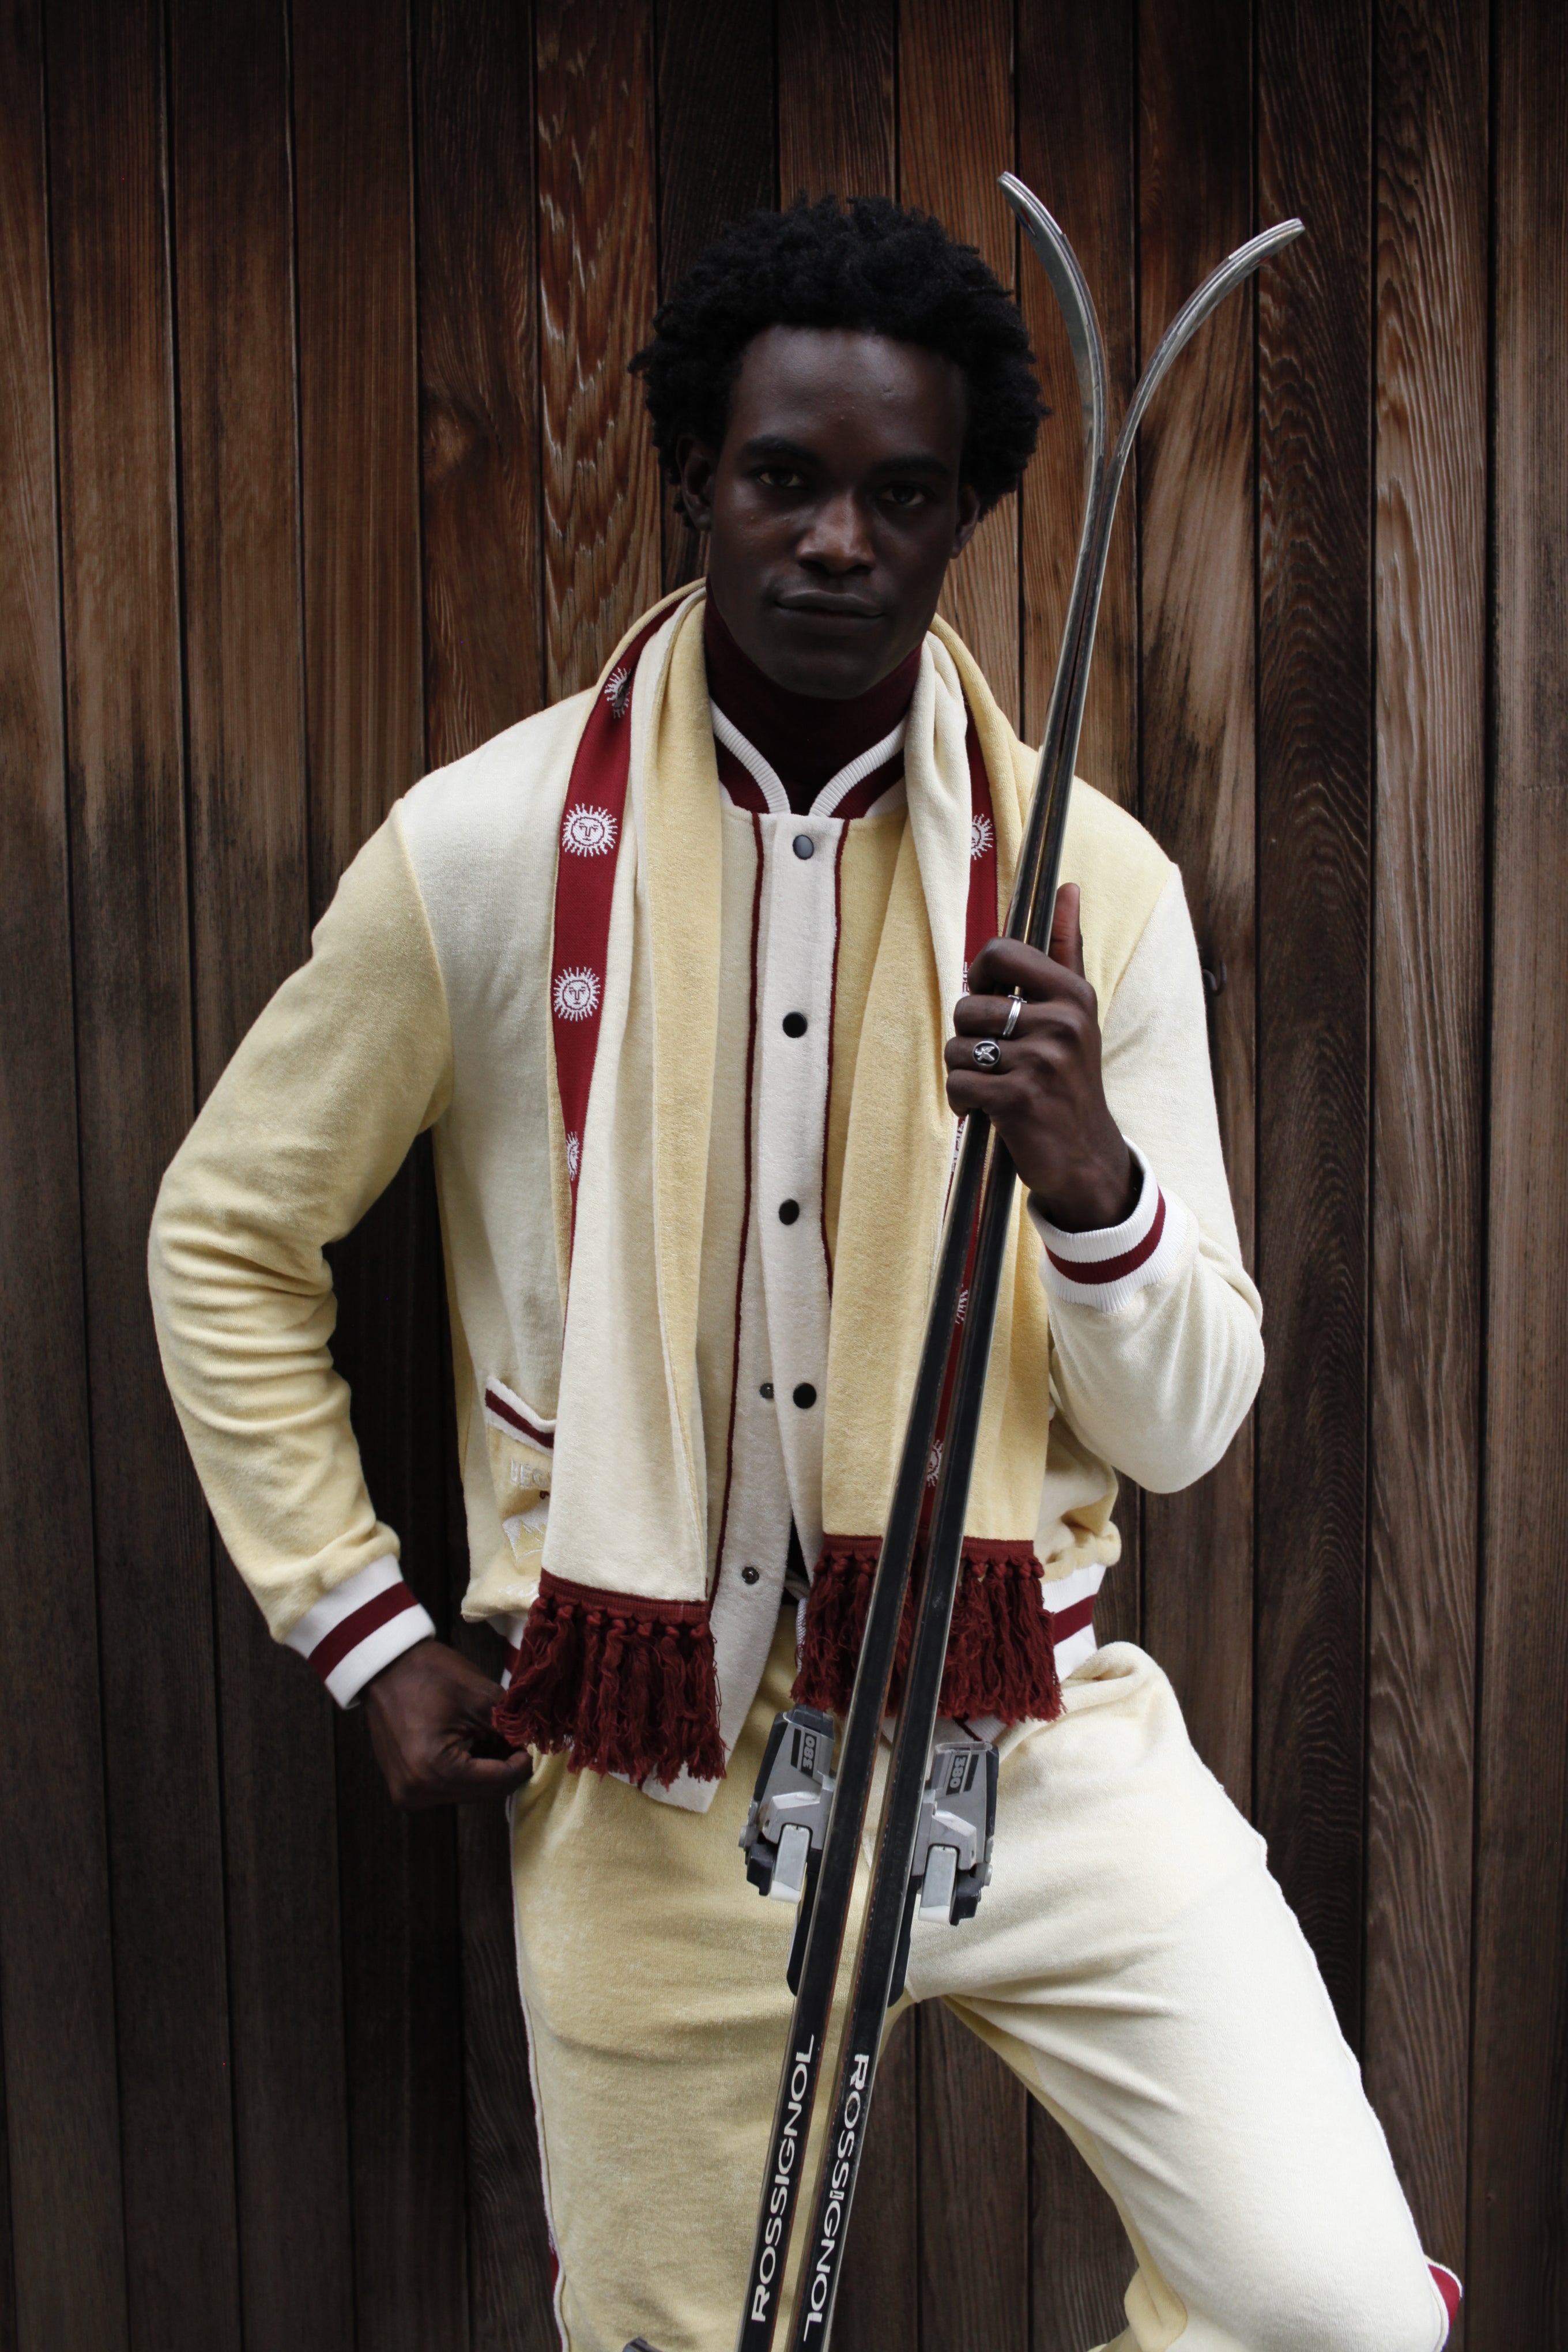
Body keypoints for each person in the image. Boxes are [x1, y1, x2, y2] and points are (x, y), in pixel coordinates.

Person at [150, 197, 1460, 2352]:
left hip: (1025, 1736)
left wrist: (1087, 1170)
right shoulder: (491, 850)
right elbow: (227, 1232)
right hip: (651, 1776)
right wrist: (365, 1630)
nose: (837, 537)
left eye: (900, 494)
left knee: (1336, 2311)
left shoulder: (1085, 884)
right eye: (786, 477)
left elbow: (1187, 1418)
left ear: (962, 522)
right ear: (696, 474)